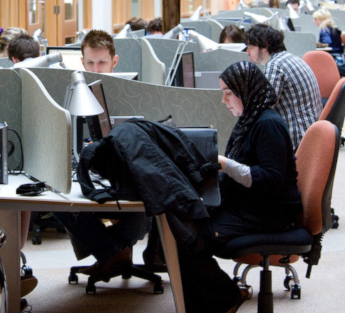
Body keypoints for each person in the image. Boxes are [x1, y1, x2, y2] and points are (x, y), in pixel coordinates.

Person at [177, 61, 301, 313]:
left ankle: (227, 299)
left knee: (190, 239)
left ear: (246, 91)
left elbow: (271, 180)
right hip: (250, 204)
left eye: (228, 93)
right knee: (182, 223)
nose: (224, 101)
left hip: (268, 213)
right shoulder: (251, 119)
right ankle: (211, 302)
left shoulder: (268, 124)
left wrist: (224, 164)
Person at [54, 30, 148, 281]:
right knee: (53, 198)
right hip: (89, 172)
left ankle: (110, 254)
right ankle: (114, 253)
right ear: (82, 63)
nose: (96, 68)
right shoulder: (73, 93)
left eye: (102, 62)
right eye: (91, 63)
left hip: (127, 174)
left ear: (114, 61)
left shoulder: (132, 91)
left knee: (139, 203)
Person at [245, 24, 322, 148]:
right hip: (310, 135)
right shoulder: (289, 58)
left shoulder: (274, 66)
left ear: (264, 45)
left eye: (250, 46)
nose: (247, 51)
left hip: (297, 140)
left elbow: (261, 107)